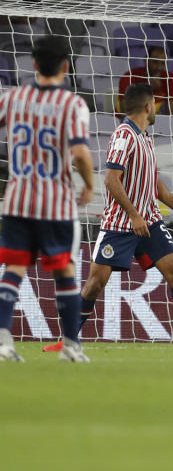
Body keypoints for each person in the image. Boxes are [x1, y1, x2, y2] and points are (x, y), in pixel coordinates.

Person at [41, 84, 173, 356]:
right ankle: (68, 340)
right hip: (120, 224)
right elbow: (111, 179)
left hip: (151, 221)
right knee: (95, 284)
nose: (156, 107)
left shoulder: (145, 136)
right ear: (148, 106)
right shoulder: (124, 135)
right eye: (155, 103)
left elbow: (153, 184)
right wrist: (133, 215)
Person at [0, 37, 94, 363]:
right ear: (66, 67)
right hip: (55, 202)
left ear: (34, 64)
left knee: (13, 269)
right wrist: (90, 185)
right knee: (65, 271)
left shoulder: (13, 97)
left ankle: (2, 343)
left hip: (16, 199)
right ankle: (70, 346)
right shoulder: (73, 104)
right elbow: (80, 152)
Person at [116, 45, 173, 117]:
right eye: (155, 62)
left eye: (163, 63)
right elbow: (126, 112)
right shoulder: (129, 76)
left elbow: (171, 115)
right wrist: (146, 88)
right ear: (146, 60)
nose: (159, 67)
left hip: (151, 122)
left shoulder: (168, 78)